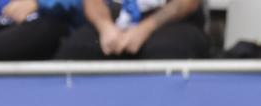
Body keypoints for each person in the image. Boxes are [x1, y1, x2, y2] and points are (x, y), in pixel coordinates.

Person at [54, 0, 210, 59]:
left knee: (166, 51)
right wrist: (105, 27)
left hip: (168, 21)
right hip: (114, 19)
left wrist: (144, 29)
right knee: (75, 50)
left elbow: (188, 3)